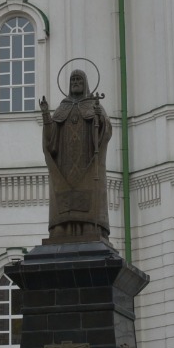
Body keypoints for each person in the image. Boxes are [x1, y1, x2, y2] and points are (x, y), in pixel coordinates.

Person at [40, 67, 113, 243]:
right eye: (73, 81)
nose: (75, 84)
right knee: (64, 198)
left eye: (79, 81)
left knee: (88, 196)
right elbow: (51, 142)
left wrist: (99, 119)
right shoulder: (61, 109)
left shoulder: (94, 106)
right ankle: (63, 228)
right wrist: (45, 115)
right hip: (64, 168)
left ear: (85, 84)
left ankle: (89, 226)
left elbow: (106, 130)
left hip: (86, 165)